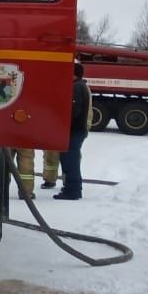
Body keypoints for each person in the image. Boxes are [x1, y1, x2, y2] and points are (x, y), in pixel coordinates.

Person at [55, 63, 91, 201]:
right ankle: (74, 187)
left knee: (70, 160)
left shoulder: (76, 87)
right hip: (77, 130)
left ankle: (73, 190)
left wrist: (60, 120)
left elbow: (73, 111)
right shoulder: (82, 85)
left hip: (74, 130)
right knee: (71, 158)